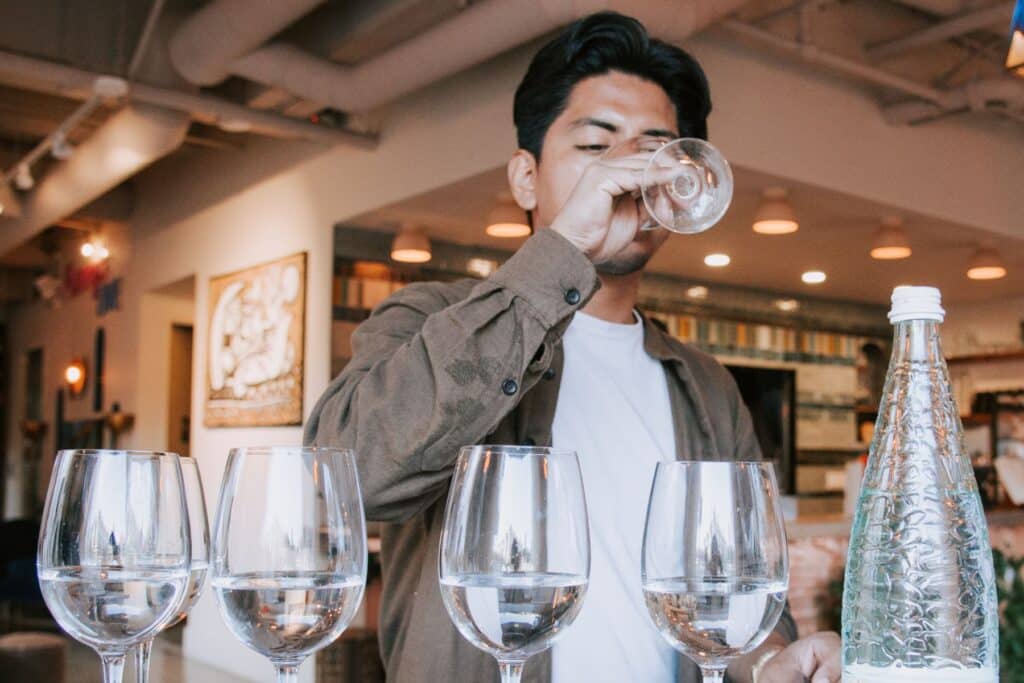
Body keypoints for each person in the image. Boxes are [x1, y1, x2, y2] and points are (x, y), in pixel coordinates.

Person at [306, 11, 841, 683]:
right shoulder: (426, 318)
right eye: (596, 147)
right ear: (526, 178)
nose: (628, 174)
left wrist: (771, 660)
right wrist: (563, 254)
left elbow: (732, 600)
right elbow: (348, 473)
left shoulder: (705, 384)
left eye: (656, 151)